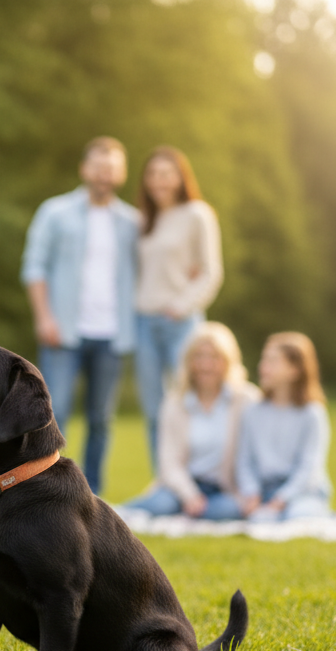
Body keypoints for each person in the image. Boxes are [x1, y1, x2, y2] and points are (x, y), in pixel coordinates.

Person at [20, 136, 141, 494]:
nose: (105, 175)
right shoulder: (55, 212)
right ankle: (44, 494)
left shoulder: (132, 222)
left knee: (101, 420)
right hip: (64, 332)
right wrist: (45, 318)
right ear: (84, 169)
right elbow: (34, 267)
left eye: (112, 169)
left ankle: (91, 498)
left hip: (113, 334)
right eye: (99, 167)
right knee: (51, 417)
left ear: (121, 174)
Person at [134, 146, 224, 470]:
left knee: (189, 404)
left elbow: (212, 272)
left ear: (180, 178)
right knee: (154, 409)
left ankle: (195, 475)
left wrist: (182, 305)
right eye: (152, 174)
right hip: (144, 323)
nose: (159, 181)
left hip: (181, 322)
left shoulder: (198, 214)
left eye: (166, 174)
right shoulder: (143, 220)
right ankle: (164, 479)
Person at [122, 322, 260, 519]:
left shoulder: (246, 400)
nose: (205, 365)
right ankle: (104, 516)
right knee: (160, 505)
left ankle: (191, 514)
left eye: (214, 357)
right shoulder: (174, 402)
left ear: (228, 361)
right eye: (199, 356)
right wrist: (190, 495)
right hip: (181, 487)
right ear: (189, 361)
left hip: (224, 490)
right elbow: (169, 462)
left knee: (224, 511)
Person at [236, 332, 333, 521]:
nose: (263, 367)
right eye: (264, 360)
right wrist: (251, 493)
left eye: (273, 361)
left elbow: (309, 467)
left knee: (298, 516)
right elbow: (244, 460)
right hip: (265, 491)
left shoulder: (312, 413)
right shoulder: (253, 411)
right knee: (261, 520)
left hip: (304, 492)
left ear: (294, 370)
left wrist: (282, 499)